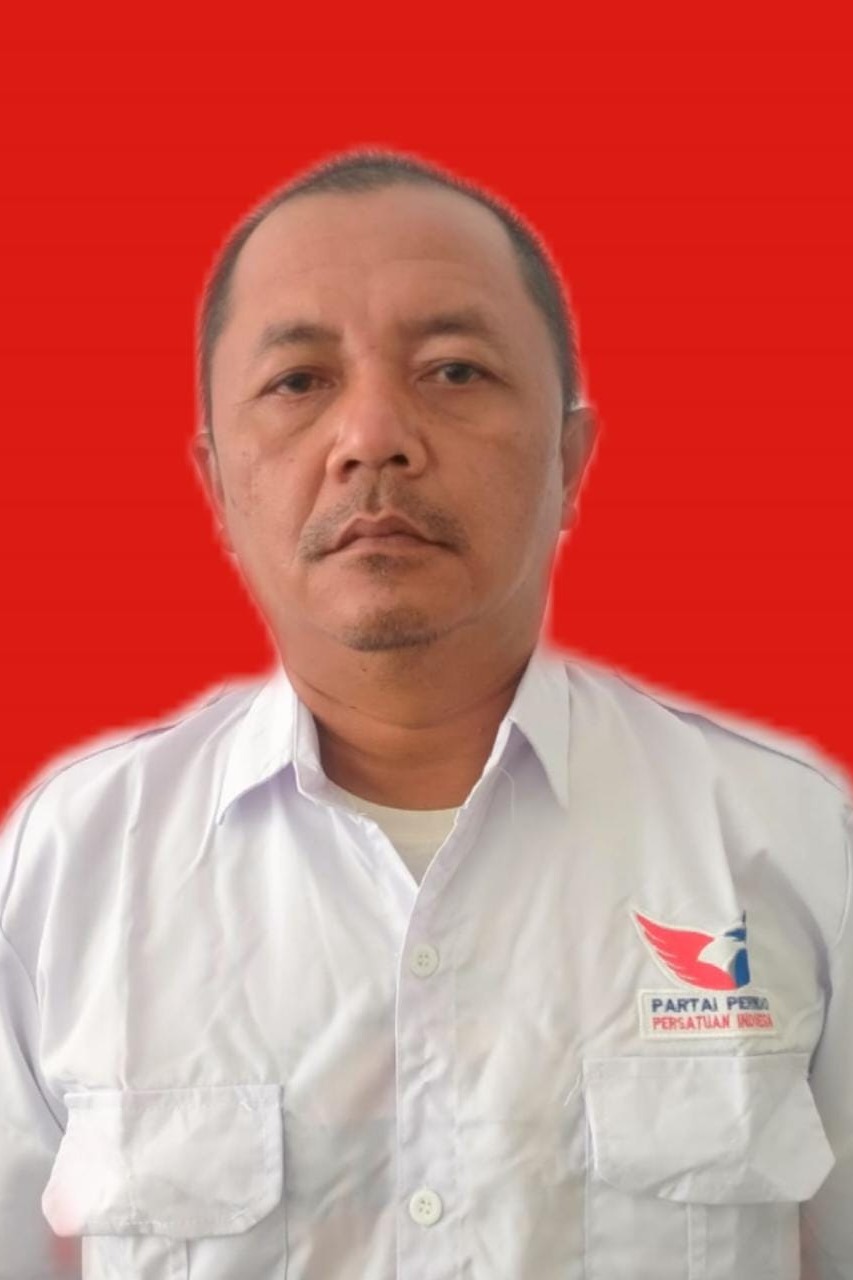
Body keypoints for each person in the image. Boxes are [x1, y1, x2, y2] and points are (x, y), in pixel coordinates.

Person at [0, 146, 850, 1280]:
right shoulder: (69, 865)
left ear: (569, 459)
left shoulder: (789, 840)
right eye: (298, 381)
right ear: (215, 485)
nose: (372, 437)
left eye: (453, 370)